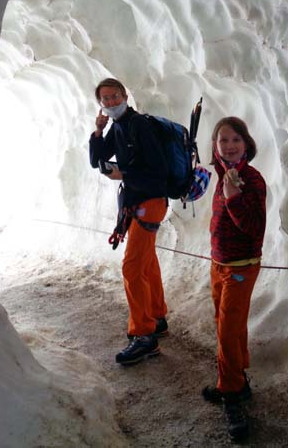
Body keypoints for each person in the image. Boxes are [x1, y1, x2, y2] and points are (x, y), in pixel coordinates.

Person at [89, 77, 170, 365]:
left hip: (150, 201)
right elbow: (96, 160)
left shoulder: (140, 125)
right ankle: (157, 316)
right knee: (146, 261)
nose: (110, 102)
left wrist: (124, 175)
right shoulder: (117, 126)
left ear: (125, 95)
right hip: (137, 202)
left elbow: (158, 171)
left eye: (114, 96)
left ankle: (144, 335)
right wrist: (98, 132)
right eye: (105, 99)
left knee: (132, 266)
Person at [202, 117, 267, 442]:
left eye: (235, 140)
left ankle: (230, 393)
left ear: (247, 144)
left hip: (242, 266)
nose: (229, 145)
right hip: (219, 263)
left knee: (228, 329)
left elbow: (254, 227)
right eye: (223, 140)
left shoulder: (251, 180)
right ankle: (238, 379)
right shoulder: (221, 175)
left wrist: (232, 197)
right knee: (227, 323)